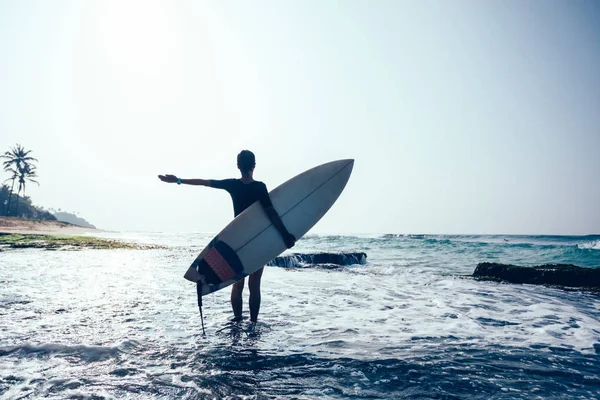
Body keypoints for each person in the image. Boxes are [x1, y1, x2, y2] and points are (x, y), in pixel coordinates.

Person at [158, 150, 295, 323]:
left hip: (237, 239)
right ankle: (253, 324)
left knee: (237, 283)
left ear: (238, 166)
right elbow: (272, 214)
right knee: (255, 284)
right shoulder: (260, 187)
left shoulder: (233, 185)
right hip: (257, 240)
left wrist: (178, 180)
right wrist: (286, 235)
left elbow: (204, 183)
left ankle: (237, 321)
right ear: (254, 165)